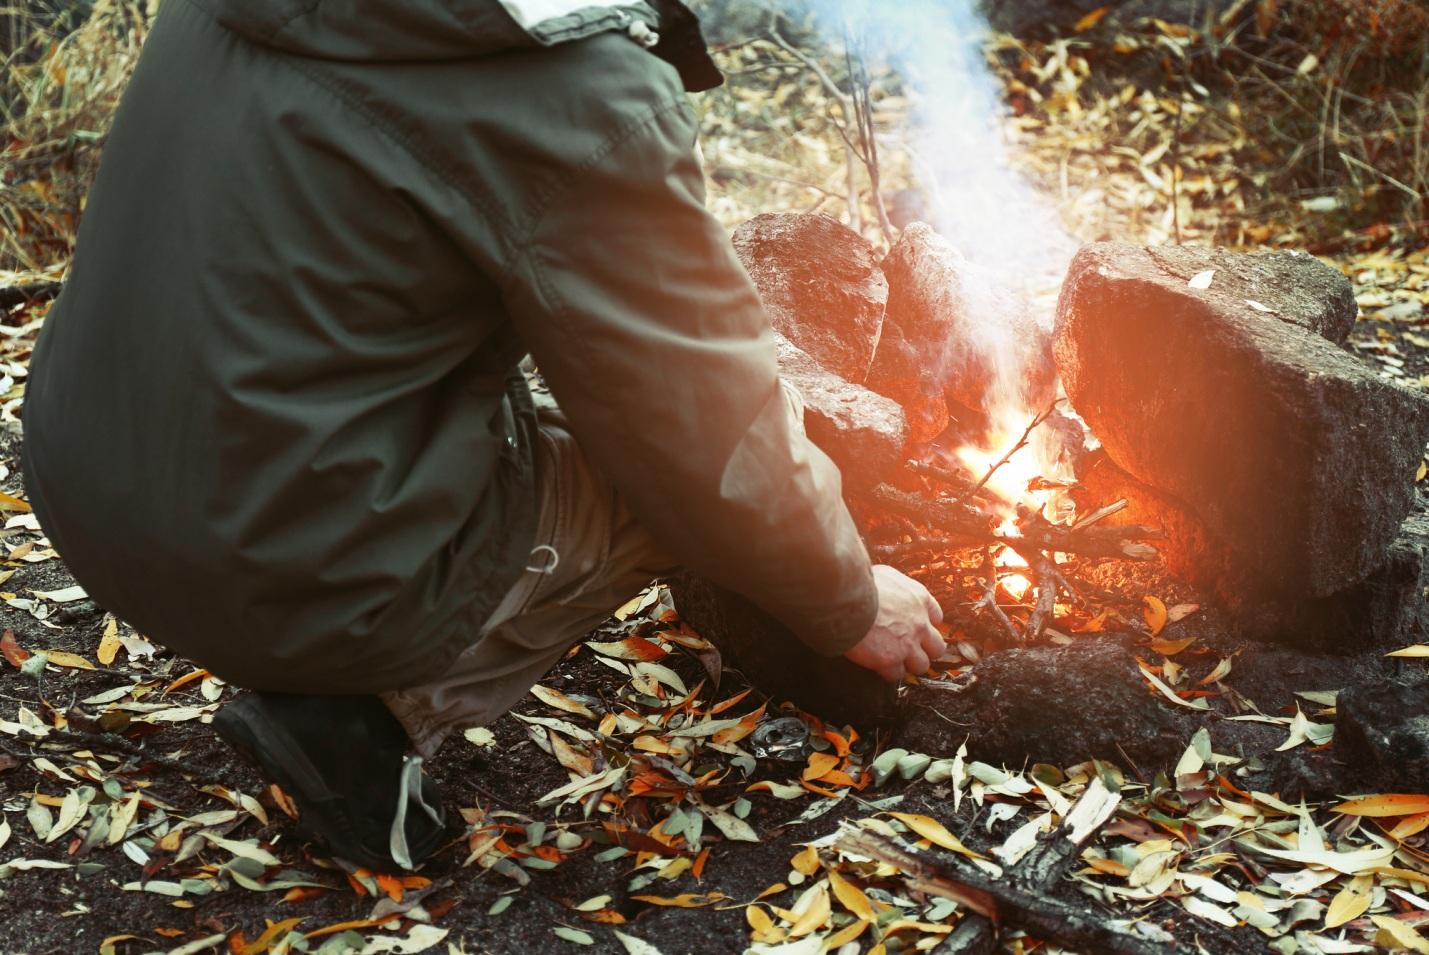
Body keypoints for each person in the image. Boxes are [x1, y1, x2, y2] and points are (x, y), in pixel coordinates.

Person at [22, 0, 945, 873]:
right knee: (666, 475)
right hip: (272, 559)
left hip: (87, 483)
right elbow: (703, 431)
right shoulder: (572, 84)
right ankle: (364, 720)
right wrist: (849, 600)